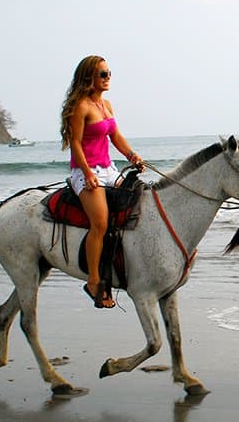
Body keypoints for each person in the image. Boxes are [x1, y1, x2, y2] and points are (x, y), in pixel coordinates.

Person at [60, 55, 144, 309]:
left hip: (108, 169)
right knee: (100, 223)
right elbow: (75, 143)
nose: (108, 78)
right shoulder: (81, 107)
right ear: (90, 78)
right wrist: (86, 173)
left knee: (137, 203)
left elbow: (115, 136)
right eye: (103, 74)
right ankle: (94, 280)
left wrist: (132, 156)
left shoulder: (106, 104)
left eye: (109, 73)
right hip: (85, 170)